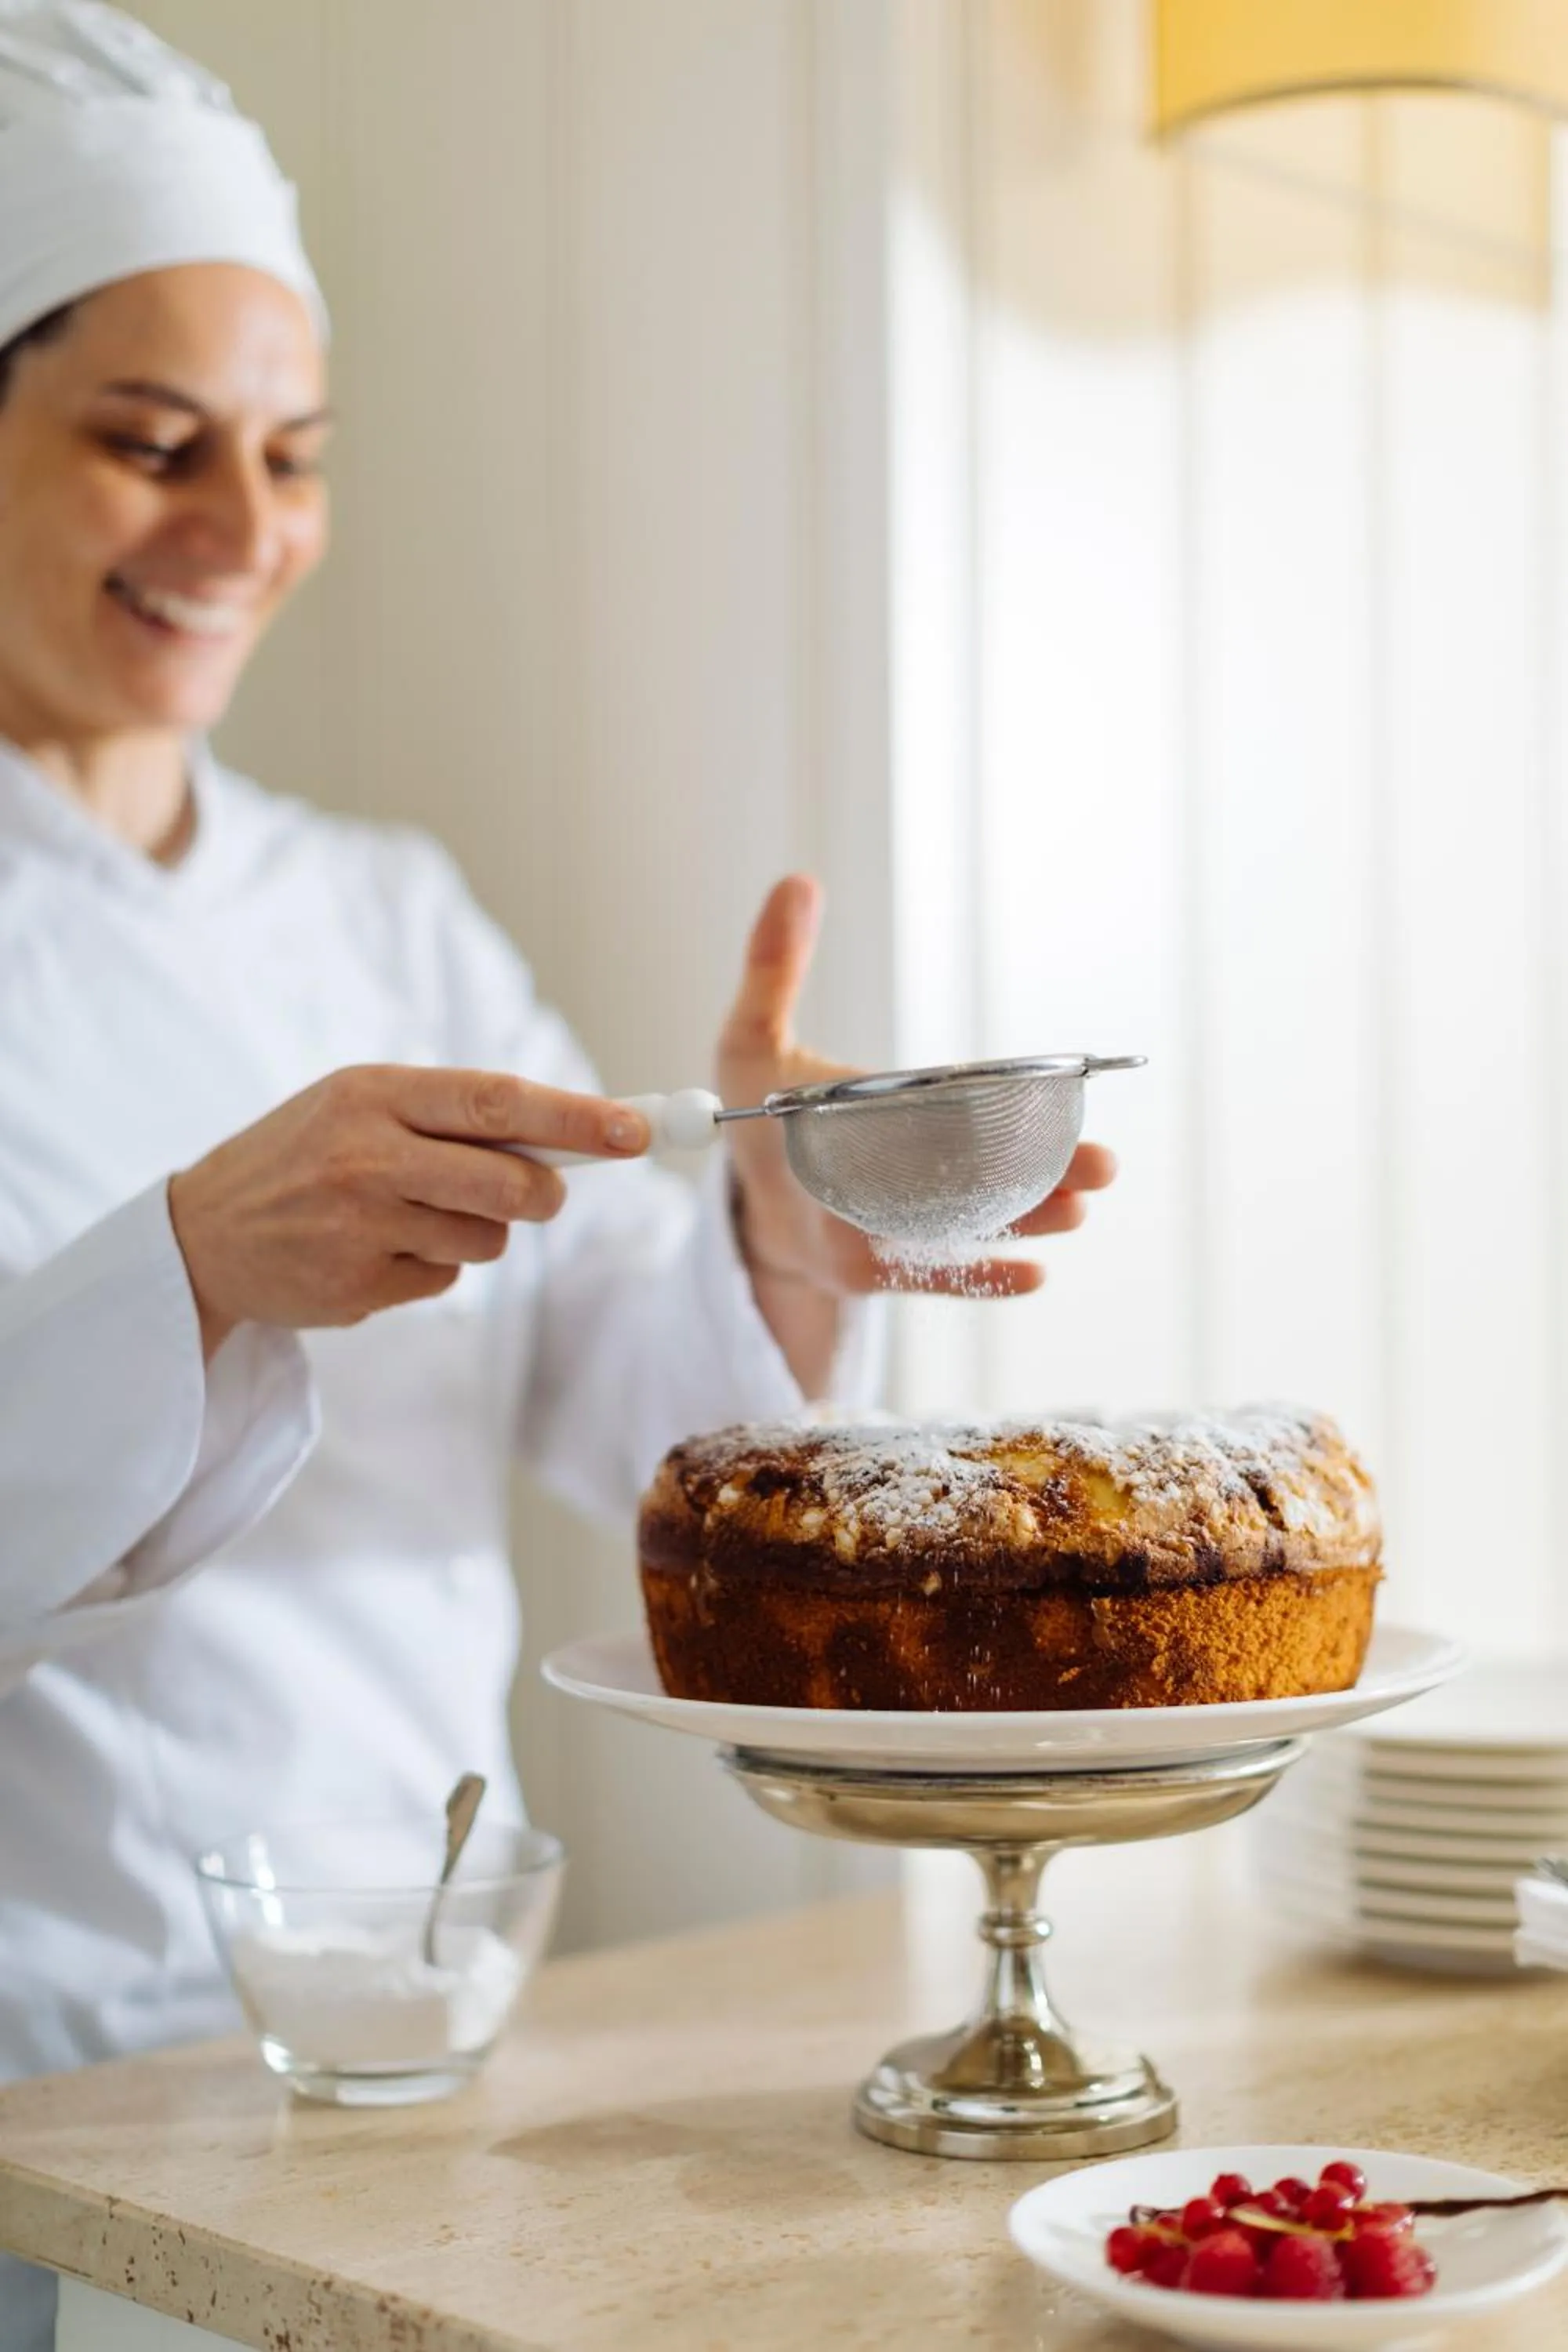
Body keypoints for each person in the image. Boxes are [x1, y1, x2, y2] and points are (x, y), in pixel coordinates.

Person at [0, 6, 1116, 2343]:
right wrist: (193, 1268)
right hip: (54, 2085)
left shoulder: (381, 908)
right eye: (151, 442)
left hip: (429, 2040)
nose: (245, 529)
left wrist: (780, 1242)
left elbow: (637, 1400)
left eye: (297, 456)